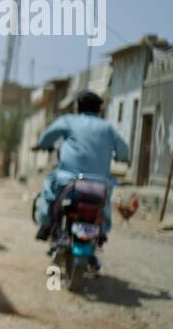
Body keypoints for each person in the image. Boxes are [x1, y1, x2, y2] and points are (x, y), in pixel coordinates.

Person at [33, 90, 130, 241]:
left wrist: (41, 145)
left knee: (49, 182)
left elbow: (47, 137)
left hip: (70, 181)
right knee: (105, 200)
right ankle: (102, 232)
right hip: (99, 183)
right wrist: (120, 157)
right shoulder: (108, 128)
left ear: (77, 107)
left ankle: (45, 225)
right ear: (99, 109)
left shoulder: (69, 120)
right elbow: (124, 152)